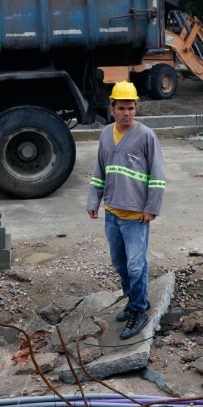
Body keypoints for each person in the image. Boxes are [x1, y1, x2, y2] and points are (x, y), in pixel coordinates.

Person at [87, 81, 166, 340]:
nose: (127, 113)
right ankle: (134, 300)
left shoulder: (146, 136)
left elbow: (157, 174)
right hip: (112, 212)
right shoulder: (106, 134)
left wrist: (152, 208)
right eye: (122, 108)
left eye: (131, 108)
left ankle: (138, 311)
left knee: (136, 265)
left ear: (136, 107)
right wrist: (93, 201)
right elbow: (100, 169)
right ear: (112, 109)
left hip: (136, 216)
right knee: (120, 263)